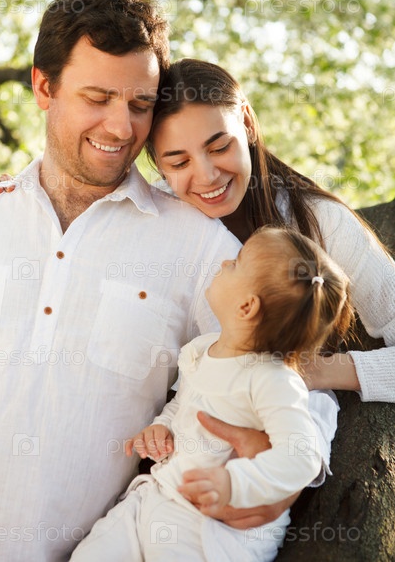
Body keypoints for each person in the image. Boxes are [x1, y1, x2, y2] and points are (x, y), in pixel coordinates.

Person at [0, 0, 247, 561]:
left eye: (141, 104)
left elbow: (259, 373)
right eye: (98, 98)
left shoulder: (198, 246)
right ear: (44, 88)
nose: (121, 128)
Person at [70, 226, 354, 562]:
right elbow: (185, 405)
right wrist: (162, 427)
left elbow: (301, 456)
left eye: (235, 263)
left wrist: (234, 482)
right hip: (159, 493)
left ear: (246, 307)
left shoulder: (273, 380)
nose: (223, 264)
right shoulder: (205, 349)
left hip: (211, 528)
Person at [144, 58, 395, 403]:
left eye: (219, 148)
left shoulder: (322, 222)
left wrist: (319, 371)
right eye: (179, 162)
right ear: (158, 164)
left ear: (247, 123)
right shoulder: (151, 228)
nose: (207, 176)